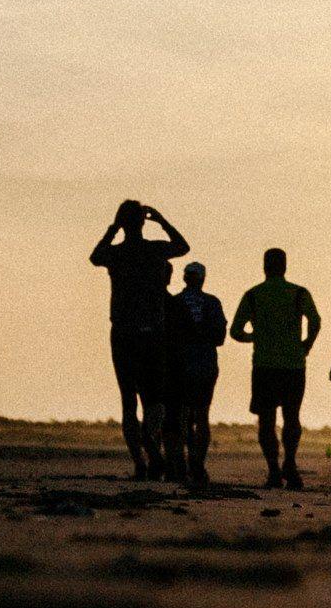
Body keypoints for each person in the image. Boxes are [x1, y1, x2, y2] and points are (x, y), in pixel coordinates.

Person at [88, 198, 188, 476]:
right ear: (143, 222)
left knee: (128, 399)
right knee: (154, 398)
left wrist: (113, 228)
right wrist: (162, 220)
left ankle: (139, 462)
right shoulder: (155, 251)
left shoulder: (117, 254)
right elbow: (182, 246)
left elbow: (95, 256)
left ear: (123, 223)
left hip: (123, 332)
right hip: (152, 333)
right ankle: (149, 440)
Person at [230, 248, 322, 490]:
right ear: (285, 266)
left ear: (264, 267)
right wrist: (307, 345)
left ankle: (273, 469)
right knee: (292, 417)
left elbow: (235, 331)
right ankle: (289, 463)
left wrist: (255, 336)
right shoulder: (298, 293)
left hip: (264, 366)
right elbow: (315, 320)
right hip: (293, 365)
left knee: (267, 421)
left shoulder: (253, 295)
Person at [163, 260, 228, 489]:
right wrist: (201, 335)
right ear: (202, 279)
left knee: (180, 417)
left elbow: (166, 336)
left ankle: (179, 464)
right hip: (204, 364)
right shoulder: (211, 303)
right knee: (201, 416)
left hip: (179, 365)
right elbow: (220, 337)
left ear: (184, 278)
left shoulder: (174, 303)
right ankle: (197, 463)